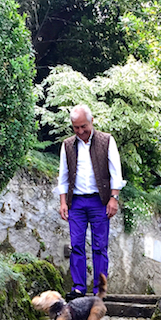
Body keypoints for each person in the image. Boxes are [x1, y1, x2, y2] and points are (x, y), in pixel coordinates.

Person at [58, 104, 124, 300]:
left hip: (99, 201)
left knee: (99, 246)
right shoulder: (67, 145)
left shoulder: (107, 141)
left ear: (92, 121)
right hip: (76, 202)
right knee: (76, 245)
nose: (80, 131)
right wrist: (63, 202)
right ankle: (78, 287)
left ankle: (99, 290)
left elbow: (116, 172)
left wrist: (114, 198)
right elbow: (62, 176)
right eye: (75, 127)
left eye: (83, 126)